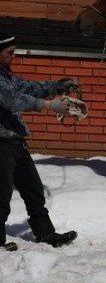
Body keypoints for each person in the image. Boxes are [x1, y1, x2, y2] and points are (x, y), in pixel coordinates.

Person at [0, 32, 79, 251]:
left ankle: (46, 234)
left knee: (34, 191)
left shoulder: (7, 76)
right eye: (9, 52)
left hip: (16, 142)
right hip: (1, 145)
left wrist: (57, 87)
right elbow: (12, 100)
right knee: (1, 195)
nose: (13, 55)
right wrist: (49, 105)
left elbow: (29, 88)